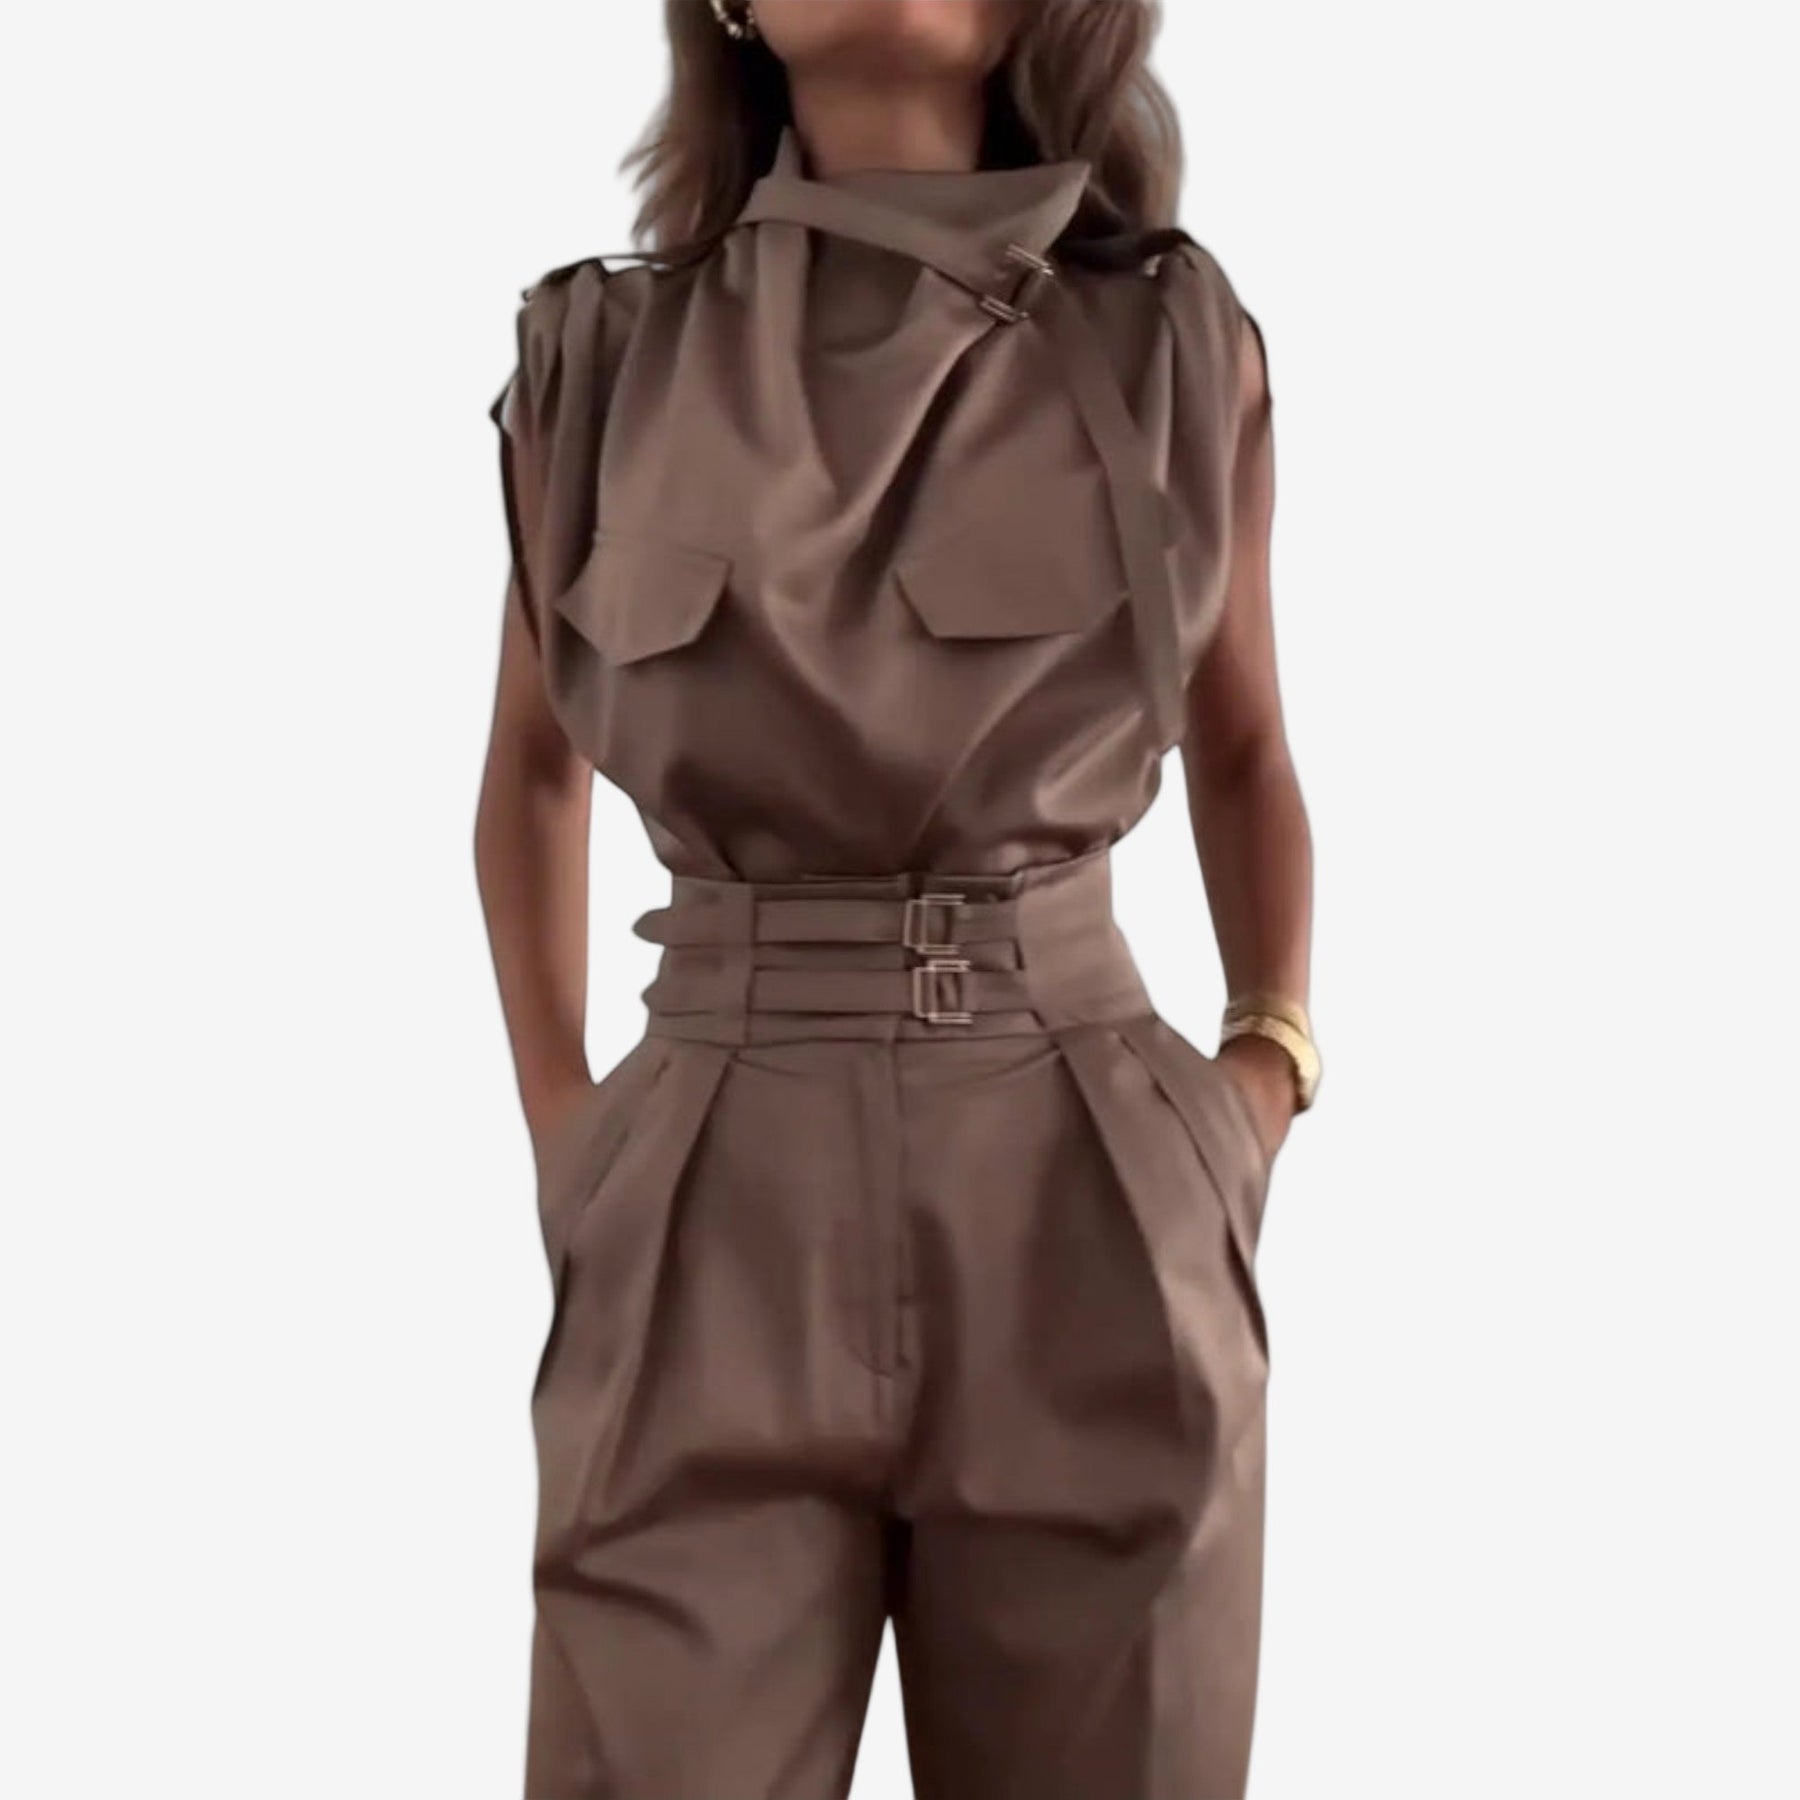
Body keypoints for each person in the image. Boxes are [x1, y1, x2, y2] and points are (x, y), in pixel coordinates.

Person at [473, 1, 1320, 1794]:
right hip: (708, 1191)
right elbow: (529, 775)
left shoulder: (1176, 344)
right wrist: (570, 1133)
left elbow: (1247, 748)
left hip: (1083, 1178)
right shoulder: (598, 361)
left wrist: (1264, 1069)